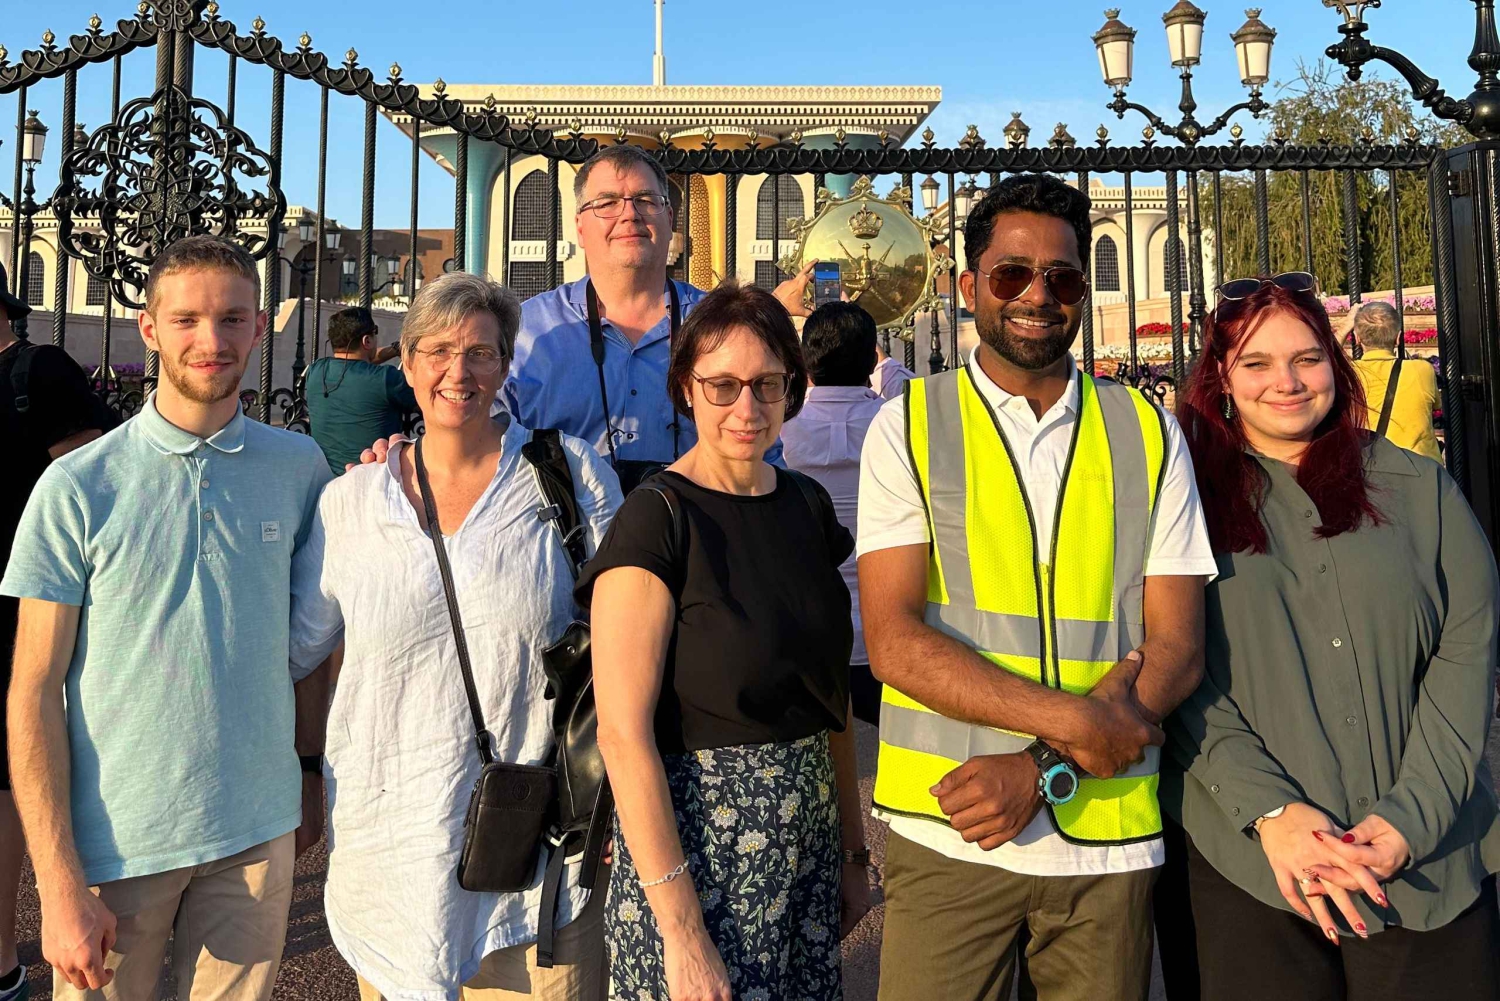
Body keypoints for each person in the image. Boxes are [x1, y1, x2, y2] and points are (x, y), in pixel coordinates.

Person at [856, 173, 1217, 1001]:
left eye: (1061, 277)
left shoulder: (1147, 429)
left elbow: (1178, 645)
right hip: (951, 828)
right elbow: (895, 643)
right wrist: (1075, 723)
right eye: (1012, 274)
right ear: (967, 286)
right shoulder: (908, 425)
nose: (1037, 296)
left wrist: (1041, 763)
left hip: (1106, 838)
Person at [3, 236, 333, 1001]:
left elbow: (313, 640)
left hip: (257, 827)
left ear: (260, 328)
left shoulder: (302, 469)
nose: (211, 339)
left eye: (232, 318)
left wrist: (309, 773)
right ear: (149, 328)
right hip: (117, 839)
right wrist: (57, 879)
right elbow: (33, 688)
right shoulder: (78, 485)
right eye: (186, 319)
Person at [1155, 274, 1500, 1001]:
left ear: (1334, 365)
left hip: (1426, 859)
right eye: (1256, 363)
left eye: (1306, 358)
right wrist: (1272, 812)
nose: (1286, 381)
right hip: (1249, 863)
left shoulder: (1420, 489)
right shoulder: (1180, 504)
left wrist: (1409, 819)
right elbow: (1174, 665)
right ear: (1222, 378)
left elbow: (1465, 656)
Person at [288, 272, 622, 1000]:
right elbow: (299, 648)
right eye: (437, 351)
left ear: (505, 366)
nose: (458, 371)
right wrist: (306, 768)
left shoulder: (570, 476)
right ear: (405, 365)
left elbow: (626, 639)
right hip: (392, 849)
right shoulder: (352, 502)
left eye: (480, 352)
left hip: (540, 854)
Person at [580, 281, 870, 1001]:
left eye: (767, 383)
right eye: (723, 386)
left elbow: (829, 697)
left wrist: (852, 851)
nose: (747, 408)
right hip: (699, 861)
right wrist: (681, 932)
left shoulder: (806, 504)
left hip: (805, 849)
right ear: (687, 388)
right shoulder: (658, 518)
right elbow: (622, 734)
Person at [501, 143, 813, 492]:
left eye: (646, 200)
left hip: (698, 521)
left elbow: (763, 455)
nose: (629, 214)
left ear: (670, 219)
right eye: (607, 203)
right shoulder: (526, 331)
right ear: (580, 227)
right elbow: (488, 455)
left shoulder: (721, 325)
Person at [0, 262, 113, 1001]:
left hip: (23, 602)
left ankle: (2, 950)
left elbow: (93, 485)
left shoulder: (37, 371)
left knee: (8, 772)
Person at [780, 300, 886, 726]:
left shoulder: (782, 427)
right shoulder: (896, 423)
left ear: (807, 363)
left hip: (807, 629)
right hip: (884, 629)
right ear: (871, 361)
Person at [305, 306, 416, 472]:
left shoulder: (315, 371)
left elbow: (356, 363)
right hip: (372, 477)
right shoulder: (387, 378)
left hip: (325, 478)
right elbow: (426, 396)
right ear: (367, 341)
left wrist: (394, 349)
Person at [1349, 300, 1441, 462]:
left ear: (1357, 338)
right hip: (1421, 466)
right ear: (1398, 338)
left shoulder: (1350, 373)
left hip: (1373, 465)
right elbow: (1437, 406)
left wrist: (1345, 326)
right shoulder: (1422, 370)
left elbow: (1325, 355)